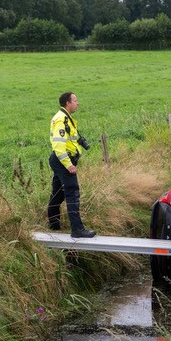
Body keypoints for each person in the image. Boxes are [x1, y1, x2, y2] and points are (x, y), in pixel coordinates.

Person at [47, 92, 96, 238]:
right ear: (68, 103)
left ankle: (54, 225)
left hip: (61, 160)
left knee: (58, 192)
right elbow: (58, 146)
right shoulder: (61, 120)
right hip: (63, 160)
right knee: (72, 192)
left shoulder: (66, 118)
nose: (77, 103)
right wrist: (68, 165)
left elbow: (71, 140)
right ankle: (77, 229)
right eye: (75, 100)